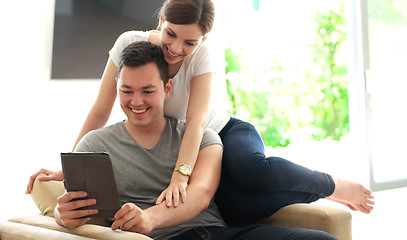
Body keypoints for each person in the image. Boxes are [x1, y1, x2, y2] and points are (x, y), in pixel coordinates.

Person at [27, 0, 374, 224]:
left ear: (203, 41)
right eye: (171, 35)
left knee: (253, 173)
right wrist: (69, 167)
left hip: (220, 133)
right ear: (160, 19)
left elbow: (195, 124)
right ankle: (315, 191)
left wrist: (180, 177)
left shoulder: (203, 56)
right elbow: (101, 109)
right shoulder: (129, 44)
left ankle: (330, 185)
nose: (177, 49)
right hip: (187, 143)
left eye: (190, 42)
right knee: (236, 211)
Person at [54, 40, 337, 240]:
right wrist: (60, 213)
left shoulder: (204, 138)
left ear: (167, 89)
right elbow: (72, 206)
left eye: (147, 91)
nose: (136, 101)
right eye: (127, 91)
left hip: (220, 233)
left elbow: (201, 195)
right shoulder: (93, 146)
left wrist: (150, 217)